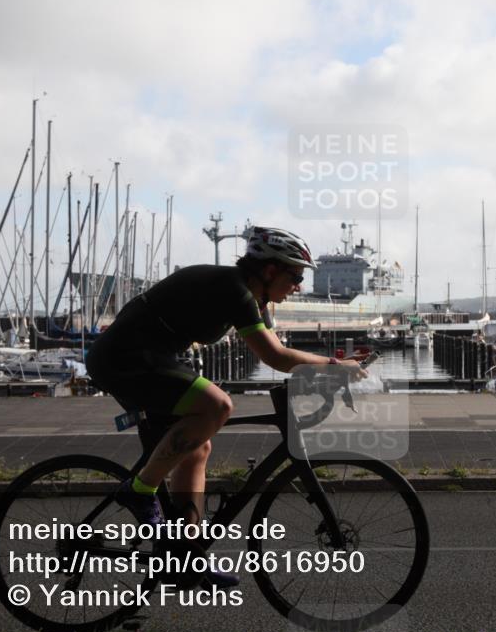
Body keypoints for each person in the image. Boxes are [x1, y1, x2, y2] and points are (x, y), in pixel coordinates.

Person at [84, 227, 366, 587]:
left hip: (149, 356)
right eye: (295, 276)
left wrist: (326, 371)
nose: (297, 286)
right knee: (217, 406)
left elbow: (277, 350)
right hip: (124, 357)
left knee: (197, 448)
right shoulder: (234, 289)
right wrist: (334, 366)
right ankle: (139, 490)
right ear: (270, 270)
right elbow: (277, 357)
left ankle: (186, 558)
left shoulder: (253, 298)